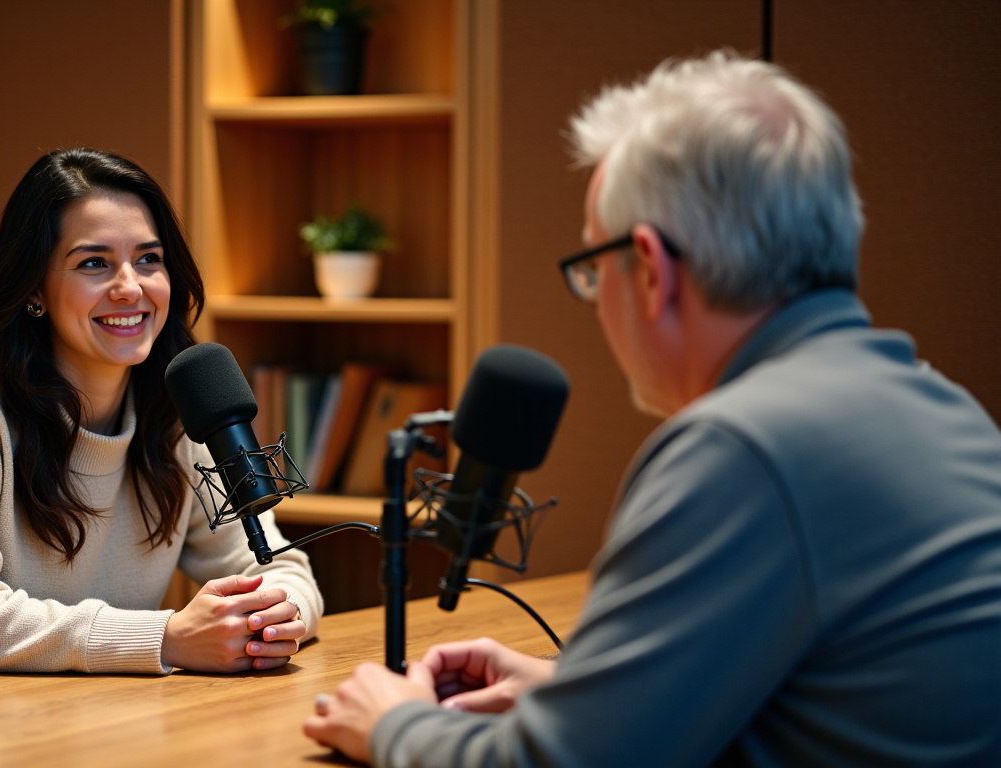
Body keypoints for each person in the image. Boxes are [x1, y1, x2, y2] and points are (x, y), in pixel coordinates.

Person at [303, 50, 1001, 766]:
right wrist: (580, 689)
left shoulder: (744, 446)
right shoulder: (947, 411)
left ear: (651, 270)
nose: (594, 298)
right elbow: (828, 697)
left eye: (593, 269)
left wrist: (395, 725)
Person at [0, 148, 322, 686]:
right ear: (34, 289)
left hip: (84, 723)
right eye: (94, 263)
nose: (131, 286)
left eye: (149, 259)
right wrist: (164, 637)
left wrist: (272, 622)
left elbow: (281, 569)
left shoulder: (177, 413)